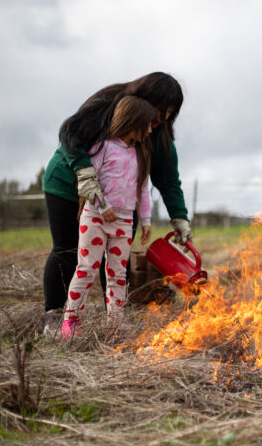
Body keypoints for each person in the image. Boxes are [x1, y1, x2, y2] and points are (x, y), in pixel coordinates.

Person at [42, 72, 192, 336]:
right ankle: (55, 316)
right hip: (68, 184)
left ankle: (114, 320)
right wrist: (85, 174)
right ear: (146, 98)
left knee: (116, 265)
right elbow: (70, 132)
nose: (163, 119)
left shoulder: (158, 134)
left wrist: (179, 216)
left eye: (170, 113)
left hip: (121, 203)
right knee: (68, 252)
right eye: (161, 109)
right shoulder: (107, 104)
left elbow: (167, 179)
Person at [61, 96, 154, 338]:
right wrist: (103, 207)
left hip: (124, 222)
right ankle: (71, 321)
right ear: (133, 121)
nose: (151, 129)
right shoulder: (103, 147)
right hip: (95, 218)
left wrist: (145, 221)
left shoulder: (141, 154)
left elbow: (143, 190)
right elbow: (92, 180)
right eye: (148, 124)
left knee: (118, 275)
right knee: (87, 269)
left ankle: (115, 324)